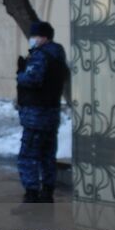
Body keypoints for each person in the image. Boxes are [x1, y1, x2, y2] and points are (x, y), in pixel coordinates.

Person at [16, 20, 70, 203]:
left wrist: (20, 73)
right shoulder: (58, 56)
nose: (32, 39)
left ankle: (31, 194)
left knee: (28, 155)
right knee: (47, 155)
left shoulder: (41, 56)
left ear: (44, 37)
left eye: (34, 36)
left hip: (35, 115)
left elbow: (32, 79)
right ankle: (47, 191)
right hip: (51, 113)